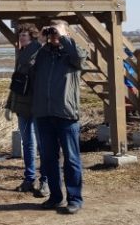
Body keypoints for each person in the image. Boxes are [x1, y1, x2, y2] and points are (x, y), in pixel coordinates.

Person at [31, 19, 87, 214]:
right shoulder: (42, 54)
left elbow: (80, 58)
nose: (53, 35)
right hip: (43, 114)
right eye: (51, 32)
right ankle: (55, 197)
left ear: (66, 35)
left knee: (71, 159)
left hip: (66, 115)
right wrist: (38, 41)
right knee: (48, 159)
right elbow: (23, 62)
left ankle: (75, 199)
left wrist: (63, 36)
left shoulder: (71, 54)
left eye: (57, 32)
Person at [4, 22, 49, 197]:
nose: (21, 38)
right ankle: (29, 178)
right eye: (20, 35)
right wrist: (9, 105)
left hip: (38, 106)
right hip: (22, 107)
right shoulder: (21, 54)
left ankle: (45, 180)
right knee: (28, 144)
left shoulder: (40, 53)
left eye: (24, 35)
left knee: (43, 145)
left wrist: (39, 43)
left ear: (32, 37)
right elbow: (17, 82)